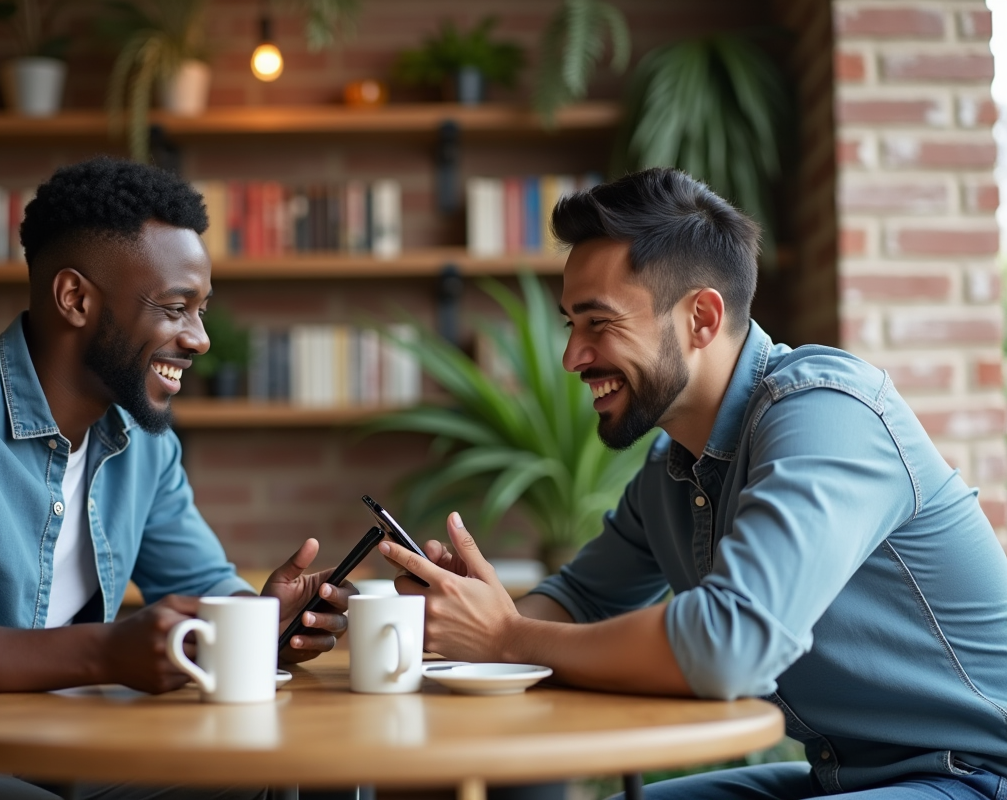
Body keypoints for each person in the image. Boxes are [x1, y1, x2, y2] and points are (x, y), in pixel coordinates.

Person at [378, 168, 1007, 800]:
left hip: (976, 775)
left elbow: (729, 645)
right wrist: (469, 609)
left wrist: (508, 637)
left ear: (701, 318)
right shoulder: (673, 469)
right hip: (845, 779)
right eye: (571, 324)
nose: (572, 358)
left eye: (599, 323)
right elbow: (583, 599)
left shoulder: (829, 412)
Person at [0, 158, 354, 800]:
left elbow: (203, 588)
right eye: (176, 308)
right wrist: (104, 653)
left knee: (266, 774)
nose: (200, 339)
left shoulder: (144, 445)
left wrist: (265, 626)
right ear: (75, 299)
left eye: (201, 310)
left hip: (54, 745)